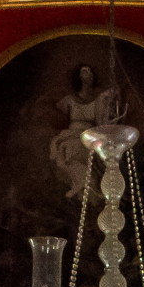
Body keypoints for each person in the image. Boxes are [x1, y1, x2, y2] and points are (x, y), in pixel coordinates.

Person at [50, 64, 120, 198]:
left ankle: (86, 183)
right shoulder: (69, 100)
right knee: (61, 158)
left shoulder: (98, 100)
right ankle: (81, 182)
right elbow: (56, 114)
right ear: (79, 76)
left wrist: (110, 118)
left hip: (87, 135)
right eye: (84, 71)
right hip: (70, 133)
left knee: (71, 151)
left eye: (90, 72)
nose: (88, 74)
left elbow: (101, 123)